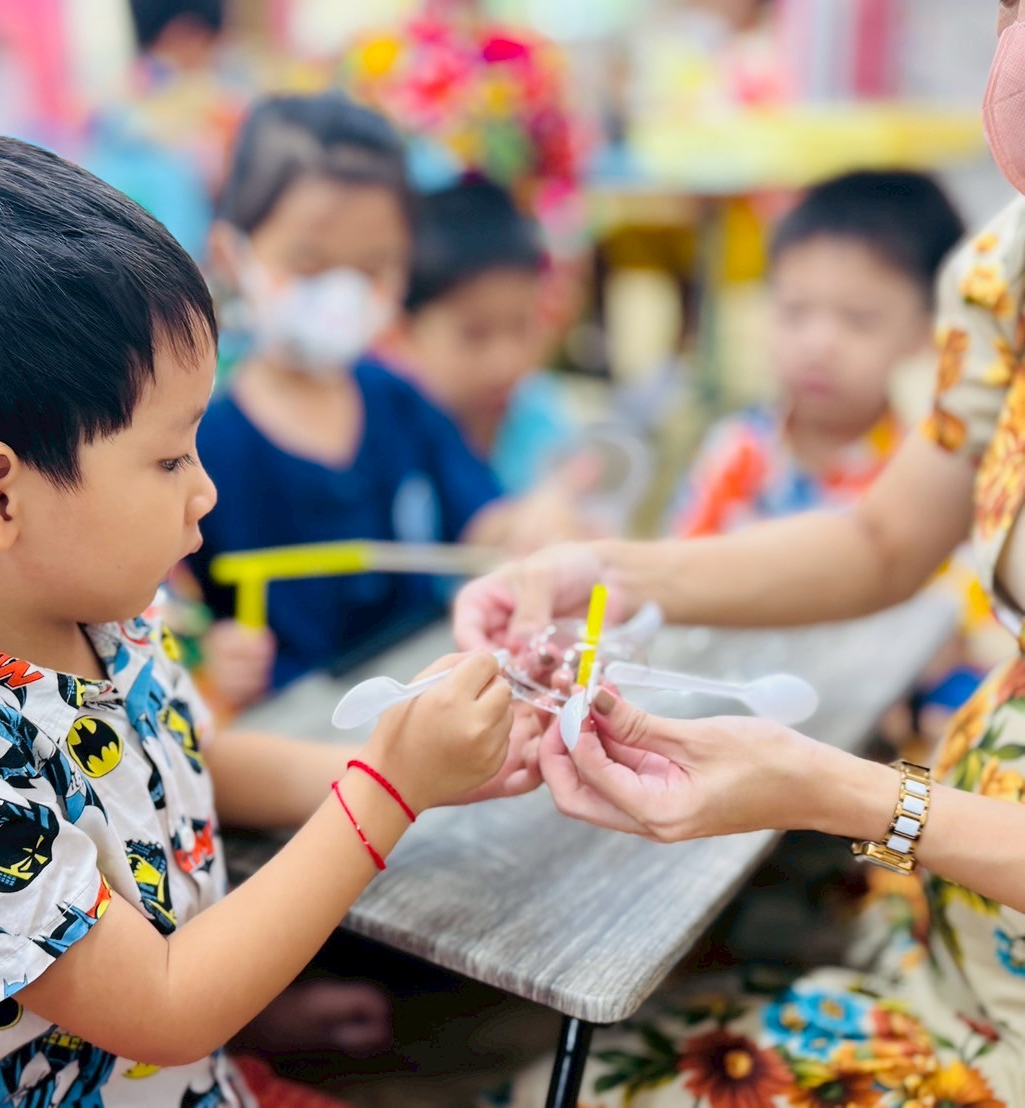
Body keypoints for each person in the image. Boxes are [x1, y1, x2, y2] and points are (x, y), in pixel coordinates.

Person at [0, 128, 539, 1106]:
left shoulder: (97, 612)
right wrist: (388, 787)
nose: (204, 491)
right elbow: (165, 1004)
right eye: (171, 457)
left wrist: (411, 762)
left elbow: (188, 760)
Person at [454, 6, 1025, 1101]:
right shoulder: (1007, 269)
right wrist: (609, 572)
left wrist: (838, 794)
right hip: (939, 923)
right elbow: (882, 535)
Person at [191, 92, 585, 708]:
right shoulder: (201, 443)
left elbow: (482, 521)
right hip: (289, 733)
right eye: (309, 264)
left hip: (421, 700)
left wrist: (535, 522)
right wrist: (209, 656)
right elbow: (171, 614)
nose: (342, 294)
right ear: (231, 255)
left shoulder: (399, 403)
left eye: (373, 268)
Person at [670, 170, 964, 538]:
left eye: (858, 319)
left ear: (924, 333)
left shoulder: (920, 475)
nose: (818, 344)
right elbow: (681, 560)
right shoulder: (735, 452)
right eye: (794, 310)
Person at [384, 177, 580, 496]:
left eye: (522, 326)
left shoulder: (545, 427)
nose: (505, 363)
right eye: (474, 335)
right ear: (402, 333)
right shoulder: (385, 439)